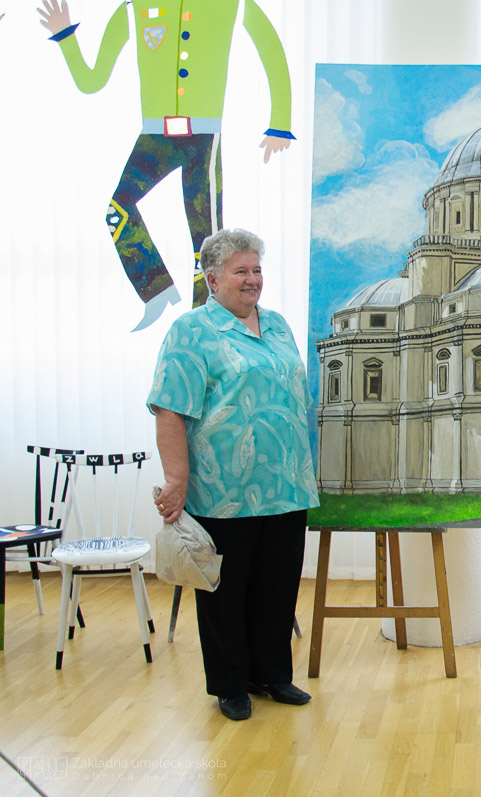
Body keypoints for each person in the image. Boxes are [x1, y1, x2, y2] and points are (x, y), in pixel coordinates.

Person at [38, 0, 295, 331]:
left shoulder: (232, 5)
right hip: (155, 136)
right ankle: (156, 289)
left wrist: (280, 124)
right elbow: (92, 80)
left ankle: (207, 325)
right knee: (117, 210)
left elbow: (271, 50)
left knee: (207, 242)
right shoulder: (134, 9)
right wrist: (64, 35)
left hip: (201, 138)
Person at [148, 228, 318, 721]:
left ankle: (273, 676)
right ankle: (231, 685)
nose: (252, 281)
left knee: (277, 586)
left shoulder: (280, 326)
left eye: (257, 270)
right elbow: (170, 409)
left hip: (285, 484)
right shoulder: (191, 331)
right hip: (225, 489)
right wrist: (176, 481)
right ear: (212, 277)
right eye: (241, 271)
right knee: (226, 590)